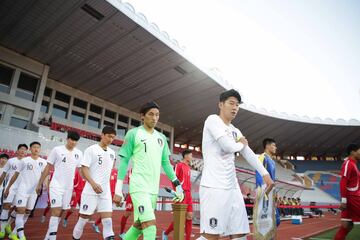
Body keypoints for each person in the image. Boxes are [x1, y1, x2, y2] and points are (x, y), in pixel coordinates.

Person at [198, 89, 273, 240]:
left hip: (233, 189)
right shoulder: (212, 120)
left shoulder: (235, 131)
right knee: (212, 236)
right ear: (221, 104)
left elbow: (249, 154)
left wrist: (265, 174)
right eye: (231, 103)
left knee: (240, 234)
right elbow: (228, 147)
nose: (235, 108)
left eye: (237, 105)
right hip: (214, 187)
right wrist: (240, 144)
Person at [113, 101, 184, 240]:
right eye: (151, 114)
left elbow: (166, 163)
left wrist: (177, 184)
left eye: (157, 115)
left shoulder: (161, 138)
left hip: (153, 189)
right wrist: (117, 189)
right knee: (150, 227)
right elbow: (125, 161)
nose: (154, 118)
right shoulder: (133, 134)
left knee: (139, 227)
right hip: (139, 186)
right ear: (142, 116)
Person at [72, 126, 117, 240]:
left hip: (105, 192)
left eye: (113, 137)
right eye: (109, 136)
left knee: (107, 221)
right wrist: (93, 183)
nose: (111, 140)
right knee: (84, 219)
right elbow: (84, 169)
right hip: (90, 190)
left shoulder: (112, 153)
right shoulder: (91, 149)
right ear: (102, 135)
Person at [36, 131, 83, 240]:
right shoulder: (57, 150)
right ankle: (53, 237)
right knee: (56, 211)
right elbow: (48, 168)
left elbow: (81, 171)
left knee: (61, 211)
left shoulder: (79, 153)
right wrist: (40, 183)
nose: (73, 142)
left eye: (75, 141)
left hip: (68, 188)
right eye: (71, 139)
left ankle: (48, 236)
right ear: (67, 139)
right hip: (56, 185)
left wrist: (91, 181)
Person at [4, 142, 47, 240]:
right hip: (22, 190)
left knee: (27, 211)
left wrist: (45, 185)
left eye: (38, 147)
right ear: (30, 149)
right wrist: (8, 187)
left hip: (34, 192)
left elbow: (45, 176)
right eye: (34, 147)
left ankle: (13, 232)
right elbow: (15, 175)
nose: (36, 149)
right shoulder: (24, 161)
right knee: (20, 211)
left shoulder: (43, 162)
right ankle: (21, 235)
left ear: (40, 149)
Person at [162, 149, 194, 240]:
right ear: (186, 156)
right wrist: (177, 192)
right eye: (191, 155)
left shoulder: (188, 167)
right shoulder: (179, 165)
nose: (192, 157)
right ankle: (166, 233)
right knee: (179, 219)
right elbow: (173, 179)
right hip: (181, 195)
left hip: (188, 194)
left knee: (189, 216)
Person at [0, 144, 28, 239]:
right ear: (17, 150)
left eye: (25, 150)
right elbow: (3, 174)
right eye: (21, 149)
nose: (23, 151)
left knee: (18, 210)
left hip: (22, 190)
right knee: (6, 207)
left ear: (26, 152)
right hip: (11, 187)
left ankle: (8, 225)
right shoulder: (11, 161)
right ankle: (2, 230)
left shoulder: (27, 162)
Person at [334, 143, 360, 240]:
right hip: (353, 199)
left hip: (352, 199)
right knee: (346, 226)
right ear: (353, 152)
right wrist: (344, 201)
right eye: (359, 151)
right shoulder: (348, 163)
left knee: (346, 226)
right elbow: (343, 181)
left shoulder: (353, 165)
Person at [92, 163, 118, 233]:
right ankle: (96, 224)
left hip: (113, 193)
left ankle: (96, 224)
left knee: (108, 212)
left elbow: (117, 183)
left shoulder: (116, 172)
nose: (113, 164)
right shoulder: (105, 170)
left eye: (114, 162)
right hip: (105, 193)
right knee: (106, 212)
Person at [118, 169, 134, 239]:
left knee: (143, 215)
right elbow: (131, 182)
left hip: (142, 195)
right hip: (133, 195)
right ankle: (121, 233)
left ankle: (147, 232)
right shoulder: (131, 170)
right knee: (127, 214)